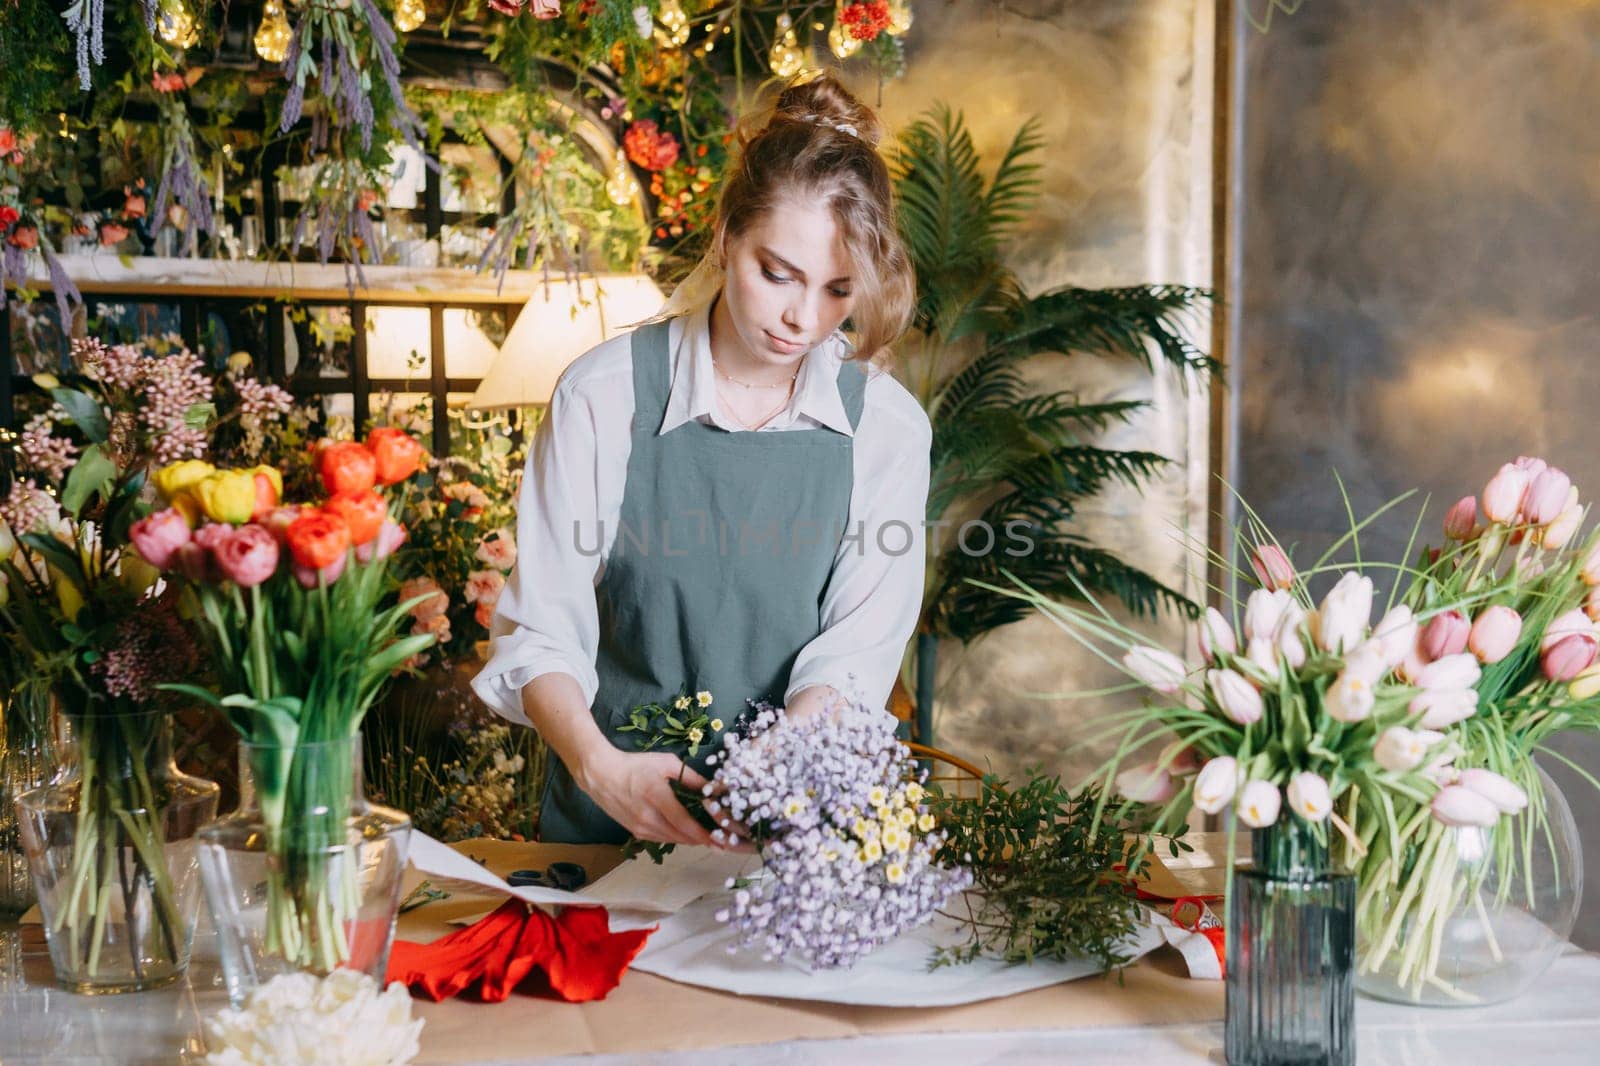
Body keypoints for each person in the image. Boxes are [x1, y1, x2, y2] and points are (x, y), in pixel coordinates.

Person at [472, 73, 930, 847]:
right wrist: (597, 766)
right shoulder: (603, 395)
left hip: (794, 835)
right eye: (776, 273)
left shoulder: (886, 426)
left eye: (836, 289)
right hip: (606, 824)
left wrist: (766, 781)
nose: (801, 317)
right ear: (725, 237)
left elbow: (856, 651)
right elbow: (541, 628)